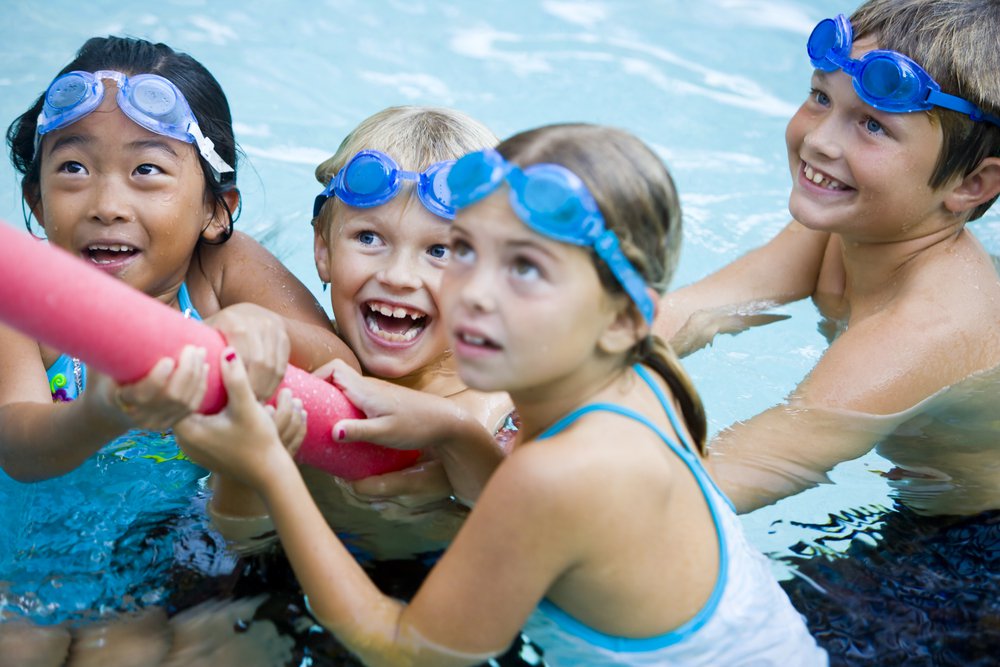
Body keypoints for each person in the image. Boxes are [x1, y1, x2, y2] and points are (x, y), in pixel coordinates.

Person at [175, 123, 827, 666]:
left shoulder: (556, 472)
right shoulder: (642, 384)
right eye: (465, 251)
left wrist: (267, 467)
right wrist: (453, 430)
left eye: (526, 269)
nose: (476, 293)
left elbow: (399, 646)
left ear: (626, 317)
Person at [0, 35, 354, 666]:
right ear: (35, 201)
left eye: (147, 171)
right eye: (73, 169)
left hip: (177, 555)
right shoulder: (24, 311)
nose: (108, 205)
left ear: (216, 211)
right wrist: (100, 414)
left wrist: (251, 323)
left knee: (126, 654)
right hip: (35, 560)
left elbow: (339, 368)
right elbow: (18, 444)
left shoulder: (219, 270)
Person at [655, 0, 1000, 518]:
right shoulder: (845, 229)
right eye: (820, 97)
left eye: (874, 126)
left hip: (970, 550)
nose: (818, 140)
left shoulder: (924, 330)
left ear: (971, 184)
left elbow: (747, 467)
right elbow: (696, 311)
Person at [207, 106, 514, 564]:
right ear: (323, 251)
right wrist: (240, 470)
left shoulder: (502, 407)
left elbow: (524, 537)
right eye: (369, 238)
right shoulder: (296, 375)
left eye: (440, 250)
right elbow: (236, 544)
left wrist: (458, 440)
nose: (398, 276)